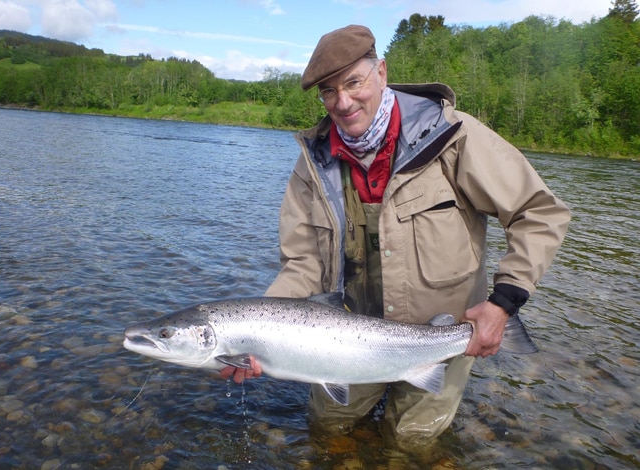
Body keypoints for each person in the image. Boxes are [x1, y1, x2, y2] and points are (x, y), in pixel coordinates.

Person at [221, 24, 570, 449]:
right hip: (348, 339)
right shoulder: (313, 166)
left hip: (445, 334)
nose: (343, 102)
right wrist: (260, 336)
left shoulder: (453, 137)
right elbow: (303, 263)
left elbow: (539, 212)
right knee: (327, 429)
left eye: (353, 83)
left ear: (381, 73)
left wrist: (503, 303)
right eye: (328, 92)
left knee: (412, 444)